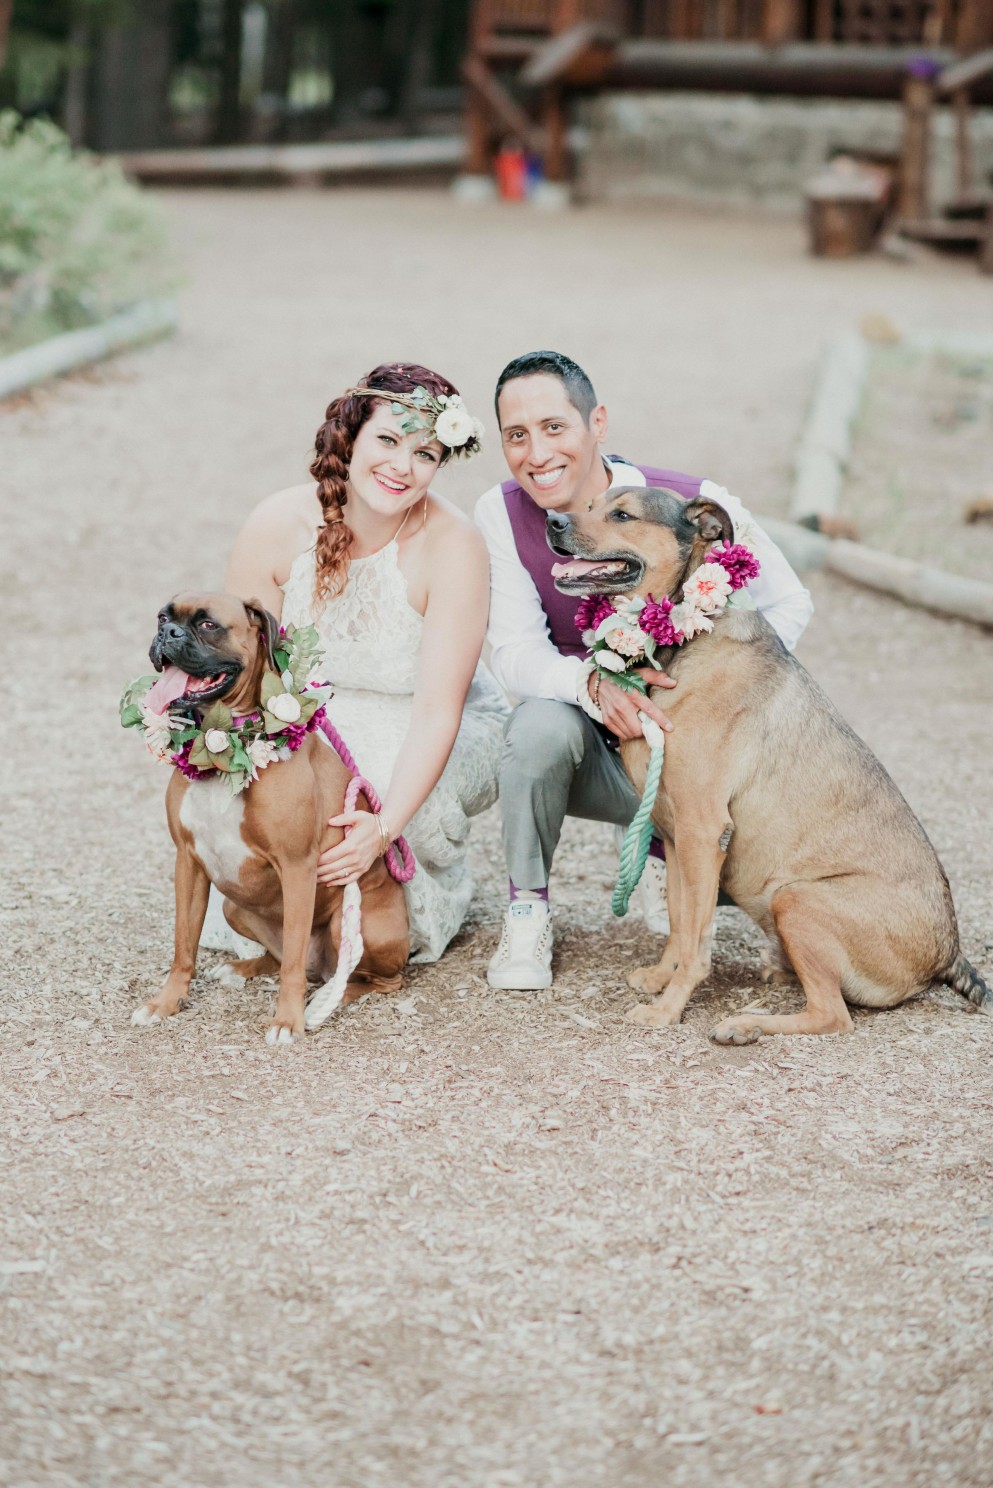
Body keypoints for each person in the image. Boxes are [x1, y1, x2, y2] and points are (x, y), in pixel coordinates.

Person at [475, 350, 814, 991]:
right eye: (516, 436)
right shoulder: (502, 511)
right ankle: (527, 909)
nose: (536, 453)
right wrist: (593, 685)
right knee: (535, 729)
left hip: (681, 746)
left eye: (554, 427)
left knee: (709, 754)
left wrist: (716, 691)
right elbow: (513, 653)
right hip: (588, 748)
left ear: (596, 422)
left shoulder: (694, 503)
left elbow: (789, 601)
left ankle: (674, 855)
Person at [213, 362, 508, 963]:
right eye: (389, 440)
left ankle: (386, 905)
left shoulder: (454, 546)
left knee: (363, 779)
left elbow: (436, 710)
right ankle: (284, 905)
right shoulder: (276, 523)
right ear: (351, 435)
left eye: (426, 453)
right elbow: (245, 675)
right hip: (303, 712)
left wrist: (384, 826)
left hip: (424, 715)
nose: (403, 466)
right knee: (284, 778)